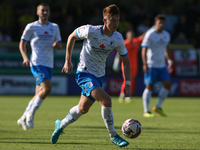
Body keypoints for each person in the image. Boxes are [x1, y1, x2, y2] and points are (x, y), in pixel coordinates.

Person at [51, 4, 131, 147]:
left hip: (99, 76)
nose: (115, 23)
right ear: (104, 20)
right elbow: (71, 37)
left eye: (117, 20)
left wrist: (128, 83)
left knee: (83, 109)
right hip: (84, 73)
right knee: (106, 100)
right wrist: (67, 60)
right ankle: (114, 136)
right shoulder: (90, 30)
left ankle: (60, 124)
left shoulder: (118, 38)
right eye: (112, 20)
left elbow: (126, 62)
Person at [17, 3, 62, 130]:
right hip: (37, 62)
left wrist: (57, 45)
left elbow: (60, 46)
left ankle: (23, 117)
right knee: (47, 88)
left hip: (49, 63)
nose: (45, 12)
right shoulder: (31, 27)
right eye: (42, 10)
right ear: (37, 12)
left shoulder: (54, 27)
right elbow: (22, 44)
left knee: (39, 93)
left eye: (47, 10)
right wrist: (25, 57)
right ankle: (31, 114)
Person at [141, 14, 173, 118]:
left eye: (163, 23)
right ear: (156, 23)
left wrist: (169, 60)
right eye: (160, 23)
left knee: (167, 85)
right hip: (151, 65)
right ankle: (146, 110)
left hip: (162, 65)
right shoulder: (150, 34)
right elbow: (144, 50)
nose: (161, 24)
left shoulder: (166, 35)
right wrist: (145, 64)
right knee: (149, 87)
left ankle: (158, 106)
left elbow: (167, 48)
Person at [113, 30, 145, 103]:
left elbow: (142, 37)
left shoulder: (135, 42)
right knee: (126, 80)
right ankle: (122, 95)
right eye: (130, 36)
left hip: (134, 64)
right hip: (125, 64)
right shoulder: (125, 43)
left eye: (132, 36)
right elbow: (118, 53)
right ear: (127, 36)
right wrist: (116, 62)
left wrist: (152, 29)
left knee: (132, 80)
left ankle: (128, 97)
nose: (131, 37)